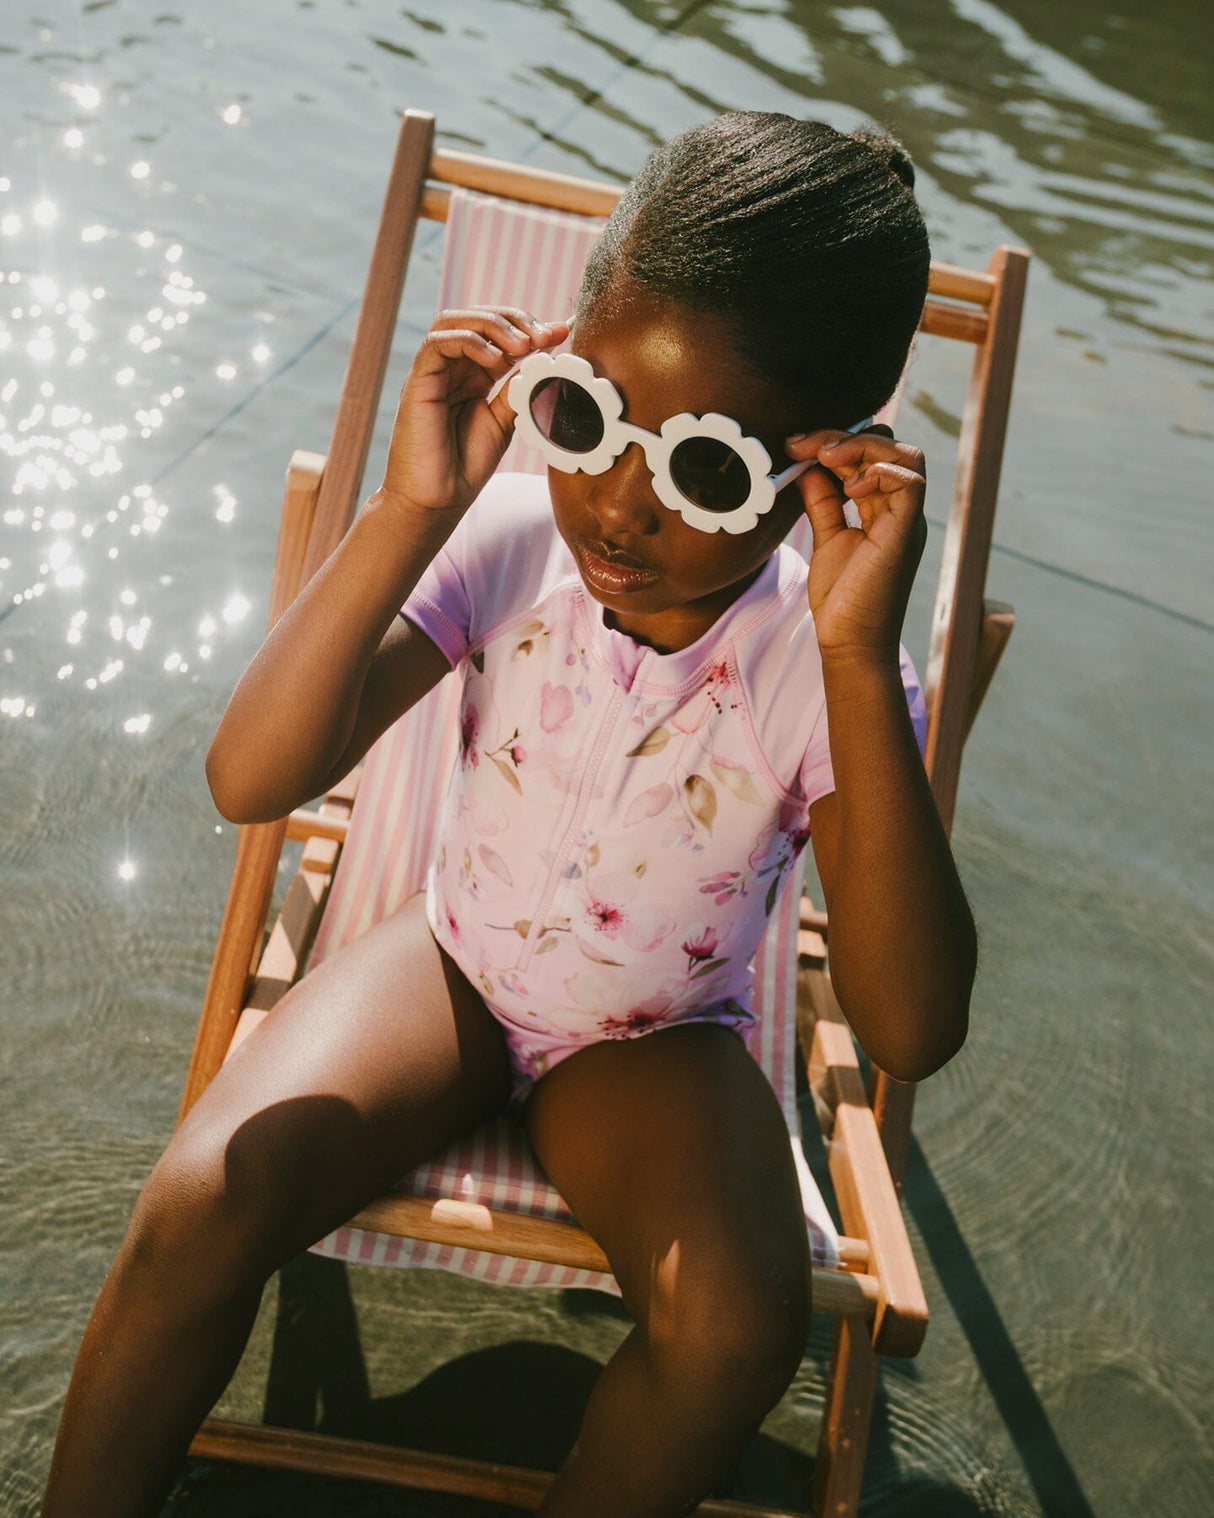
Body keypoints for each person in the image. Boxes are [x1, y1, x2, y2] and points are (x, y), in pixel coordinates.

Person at [41, 111, 977, 1517]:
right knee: (203, 1195)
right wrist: (411, 507)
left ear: (826, 469)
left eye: (706, 470)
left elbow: (911, 1026)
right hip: (454, 965)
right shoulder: (514, 537)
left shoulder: (825, 667)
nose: (614, 501)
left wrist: (853, 657)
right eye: (586, 413)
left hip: (654, 1044)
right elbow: (251, 778)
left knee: (736, 1327)